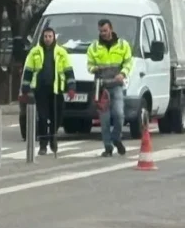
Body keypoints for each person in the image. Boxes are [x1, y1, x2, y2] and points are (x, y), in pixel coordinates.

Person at [21, 27, 76, 155]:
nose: (47, 38)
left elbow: (68, 71)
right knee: (43, 117)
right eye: (45, 36)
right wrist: (25, 88)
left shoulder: (61, 52)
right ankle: (43, 145)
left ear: (54, 37)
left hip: (56, 89)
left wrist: (71, 88)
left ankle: (53, 137)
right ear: (42, 37)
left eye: (50, 36)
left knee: (56, 117)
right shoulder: (34, 52)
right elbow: (28, 71)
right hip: (40, 90)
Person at [87, 19, 133, 157]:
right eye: (101, 31)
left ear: (111, 29)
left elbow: (129, 62)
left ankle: (116, 138)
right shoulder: (94, 47)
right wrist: (95, 68)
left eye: (105, 30)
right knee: (104, 120)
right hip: (101, 88)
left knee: (119, 115)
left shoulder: (123, 45)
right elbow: (89, 65)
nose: (103, 33)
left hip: (117, 86)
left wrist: (123, 73)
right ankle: (108, 147)